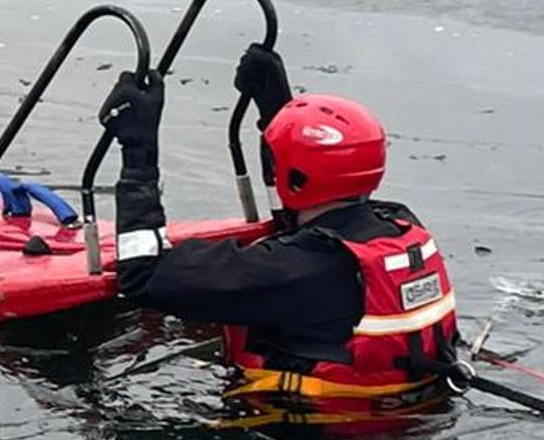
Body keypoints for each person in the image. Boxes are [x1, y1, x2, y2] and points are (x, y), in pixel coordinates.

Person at [96, 44, 461, 403]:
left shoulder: (295, 269)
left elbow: (143, 275)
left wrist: (138, 155)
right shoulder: (398, 223)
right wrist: (277, 109)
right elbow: (303, 235)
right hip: (404, 420)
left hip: (313, 438)